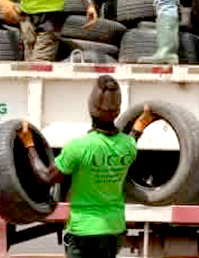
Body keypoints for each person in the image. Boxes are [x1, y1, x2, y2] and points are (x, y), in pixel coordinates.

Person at [19, 75, 155, 258]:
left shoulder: (78, 147)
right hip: (115, 229)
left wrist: (29, 145)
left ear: (90, 108)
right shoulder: (128, 147)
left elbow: (46, 177)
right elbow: (132, 138)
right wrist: (140, 125)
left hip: (85, 231)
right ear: (117, 111)